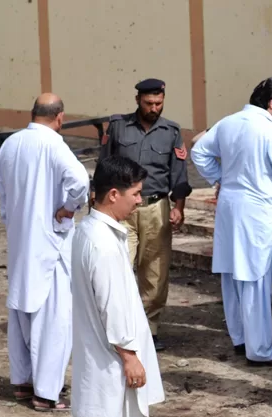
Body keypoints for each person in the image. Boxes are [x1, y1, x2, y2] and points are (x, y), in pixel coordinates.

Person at [72, 155, 164, 417]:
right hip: (112, 361)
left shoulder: (90, 231)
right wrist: (130, 357)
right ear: (113, 194)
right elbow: (112, 308)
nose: (140, 201)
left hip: (102, 357)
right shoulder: (104, 245)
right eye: (136, 194)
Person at [191, 76, 272, 366]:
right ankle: (260, 350)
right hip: (258, 212)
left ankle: (241, 339)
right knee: (256, 280)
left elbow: (199, 151)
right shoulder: (270, 130)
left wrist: (220, 178)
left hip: (231, 205)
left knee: (233, 276)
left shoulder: (229, 122)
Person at [0, 93, 90, 412]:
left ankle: (23, 382)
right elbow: (80, 180)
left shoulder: (10, 144)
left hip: (21, 241)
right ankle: (47, 393)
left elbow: (4, 199)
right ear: (60, 118)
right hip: (51, 243)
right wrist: (68, 208)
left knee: (21, 311)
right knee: (54, 319)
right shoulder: (54, 145)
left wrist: (15, 226)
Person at [98, 78, 192, 352]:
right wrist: (100, 202)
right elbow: (104, 165)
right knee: (118, 268)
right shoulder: (117, 127)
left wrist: (179, 207)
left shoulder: (171, 131)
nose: (154, 108)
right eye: (149, 103)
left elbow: (179, 173)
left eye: (159, 103)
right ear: (138, 99)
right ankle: (118, 329)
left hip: (156, 208)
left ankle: (148, 329)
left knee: (155, 273)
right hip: (121, 210)